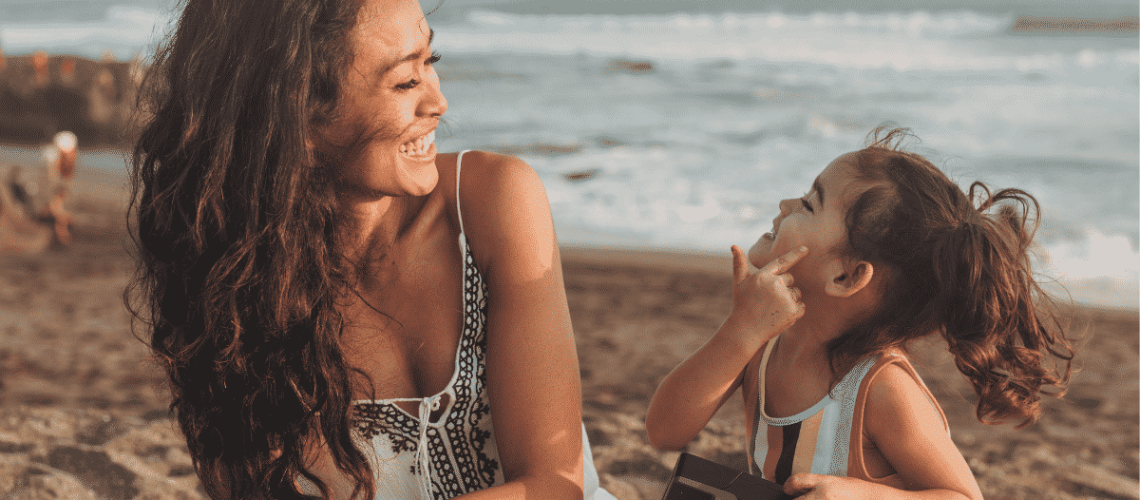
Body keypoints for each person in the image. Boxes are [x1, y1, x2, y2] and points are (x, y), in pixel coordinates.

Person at [129, 0, 613, 499]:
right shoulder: (234, 290)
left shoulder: (491, 201)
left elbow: (556, 486)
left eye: (431, 62)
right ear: (297, 114)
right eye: (406, 81)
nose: (438, 103)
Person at [645, 127, 1075, 499]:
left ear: (847, 277)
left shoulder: (880, 389)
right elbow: (665, 431)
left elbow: (962, 496)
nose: (784, 203)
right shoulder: (761, 343)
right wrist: (738, 332)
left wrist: (862, 494)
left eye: (810, 204)